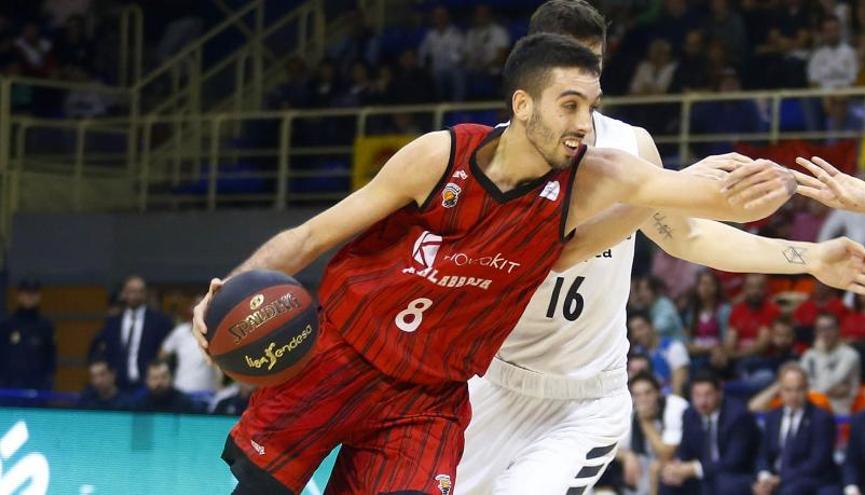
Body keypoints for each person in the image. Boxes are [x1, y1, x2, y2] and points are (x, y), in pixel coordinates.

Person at [192, 32, 799, 494]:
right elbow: (307, 238)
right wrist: (225, 294)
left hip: (429, 398)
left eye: (592, 106)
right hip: (342, 353)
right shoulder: (439, 156)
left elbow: (700, 198)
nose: (585, 124)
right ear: (523, 104)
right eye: (569, 105)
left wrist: (782, 182)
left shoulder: (589, 181)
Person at [457, 2, 865, 494]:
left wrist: (809, 256)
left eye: (592, 66)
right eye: (567, 68)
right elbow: (553, 253)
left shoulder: (630, 147)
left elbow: (691, 236)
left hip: (583, 399)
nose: (584, 83)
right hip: (492, 378)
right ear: (528, 78)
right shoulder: (482, 160)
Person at [659, 371, 759, 495]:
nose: (702, 401)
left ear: (719, 393)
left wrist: (695, 469)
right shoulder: (689, 414)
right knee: (668, 482)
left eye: (708, 395)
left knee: (722, 484)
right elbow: (685, 449)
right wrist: (677, 465)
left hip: (735, 474)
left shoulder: (738, 416)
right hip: (703, 474)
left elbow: (734, 461)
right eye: (697, 395)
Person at [753, 363, 841, 495]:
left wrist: (780, 479)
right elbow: (763, 454)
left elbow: (817, 462)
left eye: (799, 389)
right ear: (780, 391)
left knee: (789, 491)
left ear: (807, 389)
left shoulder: (821, 419)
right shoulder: (772, 416)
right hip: (775, 477)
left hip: (809, 479)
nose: (793, 395)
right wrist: (764, 477)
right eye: (788, 390)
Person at [89, 275, 174, 390]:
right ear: (124, 293)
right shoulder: (113, 323)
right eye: (131, 291)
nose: (135, 296)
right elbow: (103, 350)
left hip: (149, 385)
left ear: (145, 294)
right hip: (118, 385)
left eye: (140, 291)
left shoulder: (159, 321)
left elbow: (167, 354)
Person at [0, 279, 56, 390]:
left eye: (33, 293)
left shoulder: (46, 326)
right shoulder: (7, 324)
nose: (30, 297)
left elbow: (51, 356)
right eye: (26, 293)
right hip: (10, 385)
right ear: (19, 296)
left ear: (39, 296)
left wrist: (48, 380)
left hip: (38, 386)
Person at [131, 359, 198, 414]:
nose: (159, 382)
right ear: (147, 381)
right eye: (155, 378)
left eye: (164, 377)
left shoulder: (185, 404)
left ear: (171, 378)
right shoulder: (140, 406)